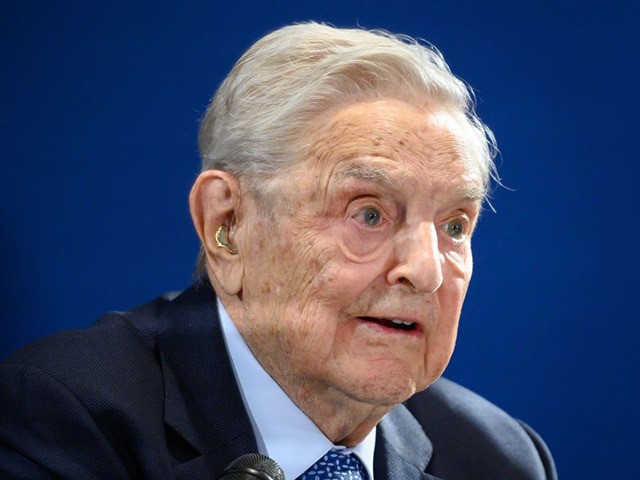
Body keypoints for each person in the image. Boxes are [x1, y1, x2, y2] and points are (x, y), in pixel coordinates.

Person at [0, 22, 556, 479]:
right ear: (228, 225)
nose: (427, 271)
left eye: (455, 226)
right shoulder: (67, 416)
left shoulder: (500, 459)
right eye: (369, 214)